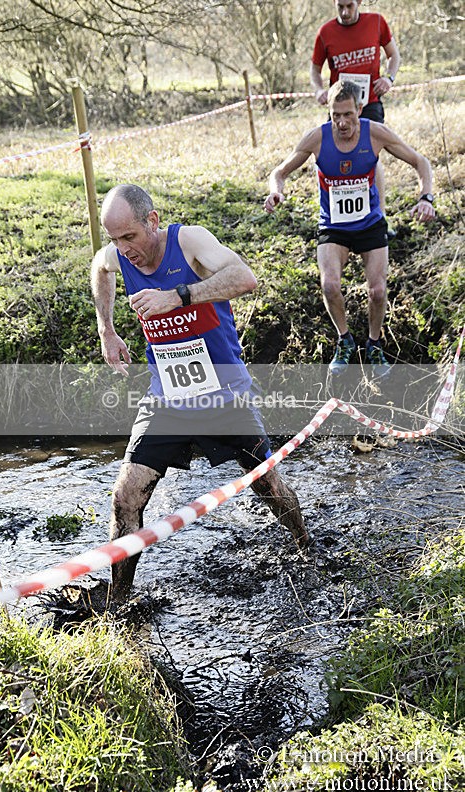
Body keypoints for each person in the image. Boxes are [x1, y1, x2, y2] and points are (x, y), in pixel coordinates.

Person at [91, 184, 308, 603]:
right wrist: (107, 328)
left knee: (268, 487)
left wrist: (178, 296)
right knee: (126, 495)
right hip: (168, 398)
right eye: (114, 239)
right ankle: (118, 603)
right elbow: (98, 267)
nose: (123, 249)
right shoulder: (118, 255)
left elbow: (245, 278)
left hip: (223, 394)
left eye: (129, 237)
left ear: (151, 221)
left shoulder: (188, 241)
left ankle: (305, 548)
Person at [264, 80, 435, 377]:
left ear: (359, 108)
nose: (342, 123)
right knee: (329, 285)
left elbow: (420, 162)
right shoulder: (317, 139)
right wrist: (275, 190)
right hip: (334, 225)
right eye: (335, 116)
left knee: (378, 291)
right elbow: (279, 171)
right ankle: (345, 341)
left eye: (348, 115)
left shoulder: (376, 134)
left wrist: (426, 197)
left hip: (369, 223)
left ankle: (374, 343)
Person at [309, 0, 401, 222]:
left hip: (368, 102)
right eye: (340, 6)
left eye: (350, 5)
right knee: (328, 156)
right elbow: (314, 68)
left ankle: (380, 216)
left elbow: (394, 55)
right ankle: (334, 214)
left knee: (372, 157)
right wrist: (319, 90)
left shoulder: (377, 22)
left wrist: (389, 78)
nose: (345, 11)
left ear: (359, 2)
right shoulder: (326, 32)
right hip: (340, 108)